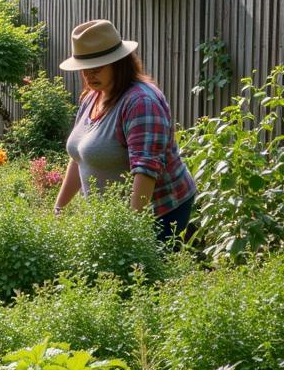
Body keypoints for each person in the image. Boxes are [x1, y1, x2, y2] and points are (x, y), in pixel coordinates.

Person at [54, 18, 196, 243]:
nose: (89, 75)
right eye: (84, 69)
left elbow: (146, 170)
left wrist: (129, 235)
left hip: (157, 214)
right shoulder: (92, 97)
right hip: (112, 217)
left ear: (118, 62)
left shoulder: (141, 102)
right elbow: (78, 156)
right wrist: (58, 209)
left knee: (143, 277)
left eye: (97, 67)